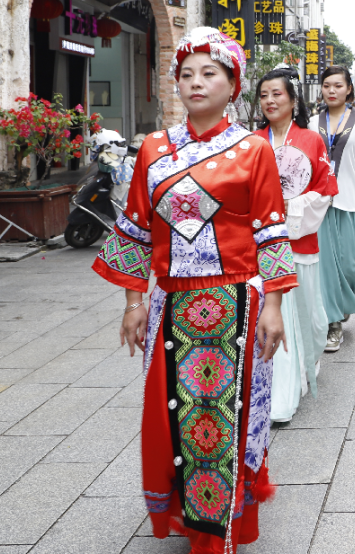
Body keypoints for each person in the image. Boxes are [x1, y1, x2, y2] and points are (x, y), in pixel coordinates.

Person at [93, 27, 295, 552]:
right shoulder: (154, 150)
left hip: (236, 301)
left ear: (233, 84)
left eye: (210, 73)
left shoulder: (253, 150)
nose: (196, 82)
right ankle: (188, 511)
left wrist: (274, 305)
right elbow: (136, 229)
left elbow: (271, 229)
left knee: (230, 414)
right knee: (173, 413)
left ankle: (223, 524)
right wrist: (134, 302)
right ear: (175, 84)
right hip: (171, 305)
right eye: (187, 74)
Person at [255, 67, 331, 424]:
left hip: (302, 239)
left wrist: (294, 208)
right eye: (264, 95)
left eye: (277, 94)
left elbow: (325, 191)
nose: (270, 101)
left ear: (293, 99)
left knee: (310, 318)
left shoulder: (312, 141)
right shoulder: (252, 142)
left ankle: (304, 367)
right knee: (275, 315)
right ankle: (277, 393)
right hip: (263, 245)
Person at [312, 65, 355, 353]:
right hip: (319, 207)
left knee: (351, 268)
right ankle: (333, 323)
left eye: (338, 85)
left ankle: (343, 302)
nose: (332, 90)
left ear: (349, 89)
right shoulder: (313, 122)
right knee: (326, 267)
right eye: (327, 85)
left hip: (349, 202)